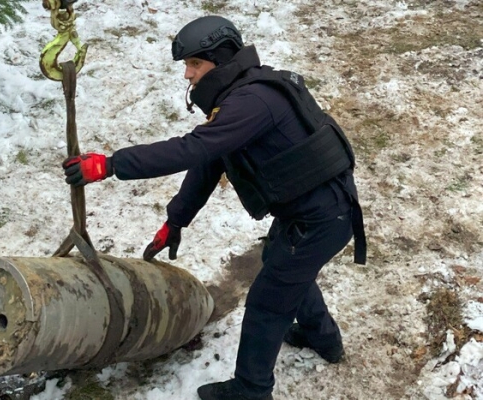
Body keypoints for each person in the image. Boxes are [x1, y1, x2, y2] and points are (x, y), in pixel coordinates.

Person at [62, 15, 366, 400]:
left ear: (220, 60)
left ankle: (252, 389)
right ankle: (321, 337)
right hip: (314, 211)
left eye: (195, 64)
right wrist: (175, 221)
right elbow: (210, 162)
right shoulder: (241, 96)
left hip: (320, 217)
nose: (188, 75)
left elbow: (192, 149)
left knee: (267, 303)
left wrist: (109, 165)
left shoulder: (251, 103)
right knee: (281, 262)